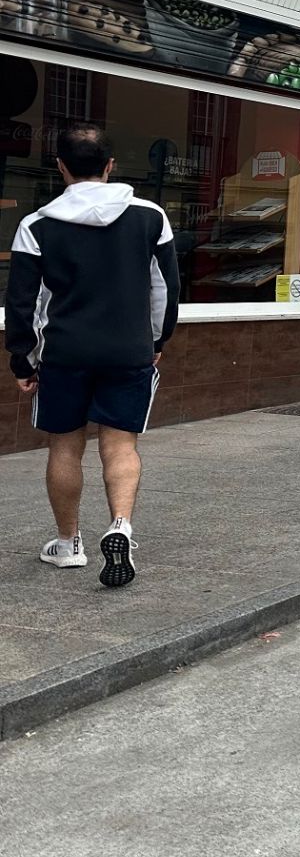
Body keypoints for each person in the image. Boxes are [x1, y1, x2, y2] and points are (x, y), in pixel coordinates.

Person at [6, 123, 179, 588]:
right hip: (128, 351)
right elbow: (165, 289)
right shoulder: (150, 217)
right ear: (110, 165)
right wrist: (156, 341)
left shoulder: (36, 225)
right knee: (120, 445)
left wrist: (22, 360)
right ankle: (120, 526)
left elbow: (21, 303)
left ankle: (68, 545)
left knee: (65, 445)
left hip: (64, 353)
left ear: (60, 166)